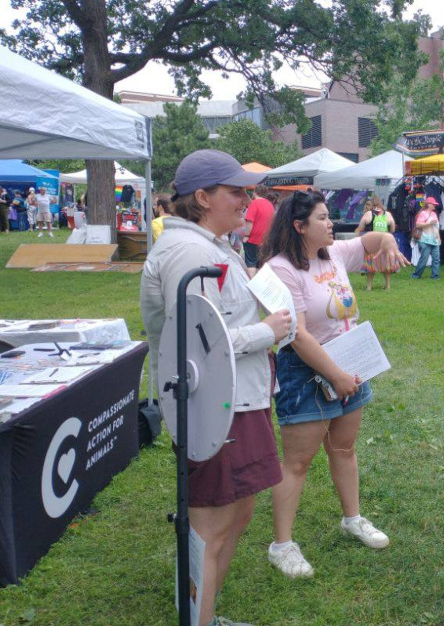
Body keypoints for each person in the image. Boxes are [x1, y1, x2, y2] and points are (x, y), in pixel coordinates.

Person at [140, 149, 292, 626]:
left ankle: (204, 613)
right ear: (202, 198)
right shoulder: (190, 251)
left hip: (237, 400)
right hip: (214, 407)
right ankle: (198, 621)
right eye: (236, 191)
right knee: (209, 526)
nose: (247, 200)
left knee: (238, 513)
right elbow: (200, 346)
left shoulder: (214, 246)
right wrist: (269, 331)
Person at [262, 189, 408, 579]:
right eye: (323, 218)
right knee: (297, 462)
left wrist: (390, 240)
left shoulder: (334, 254)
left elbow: (374, 239)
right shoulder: (281, 269)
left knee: (344, 448)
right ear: (299, 226)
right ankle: (282, 545)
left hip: (350, 361)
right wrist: (336, 376)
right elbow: (297, 334)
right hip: (306, 371)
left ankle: (352, 519)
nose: (332, 224)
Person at [356, 194, 396, 290]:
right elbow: (393, 229)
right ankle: (387, 285)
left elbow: (360, 227)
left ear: (371, 204)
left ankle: (369, 287)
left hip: (371, 243)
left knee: (370, 265)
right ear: (380, 203)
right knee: (386, 264)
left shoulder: (368, 214)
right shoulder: (388, 214)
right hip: (384, 242)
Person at [242, 184, 275, 275]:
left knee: (251, 263)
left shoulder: (253, 203)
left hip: (253, 239)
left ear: (255, 192)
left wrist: (246, 236)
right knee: (262, 264)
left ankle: (252, 286)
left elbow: (249, 222)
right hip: (266, 240)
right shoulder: (270, 205)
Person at [412, 196, 442, 280]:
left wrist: (439, 237)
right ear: (429, 204)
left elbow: (436, 227)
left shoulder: (434, 214)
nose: (435, 206)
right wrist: (429, 224)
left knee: (436, 259)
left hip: (434, 240)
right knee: (424, 259)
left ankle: (435, 276)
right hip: (424, 239)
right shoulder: (422, 213)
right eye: (433, 204)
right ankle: (416, 275)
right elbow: (418, 225)